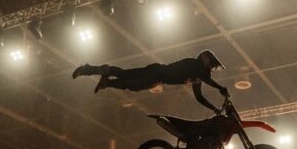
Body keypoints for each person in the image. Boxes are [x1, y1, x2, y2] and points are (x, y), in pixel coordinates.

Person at [71, 51, 229, 110]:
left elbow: (200, 97)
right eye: (212, 66)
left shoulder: (197, 77)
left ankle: (106, 81)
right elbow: (205, 78)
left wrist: (213, 109)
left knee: (131, 84)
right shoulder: (194, 65)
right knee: (127, 77)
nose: (212, 70)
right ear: (206, 61)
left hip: (158, 78)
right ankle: (88, 69)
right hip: (156, 72)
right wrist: (220, 87)